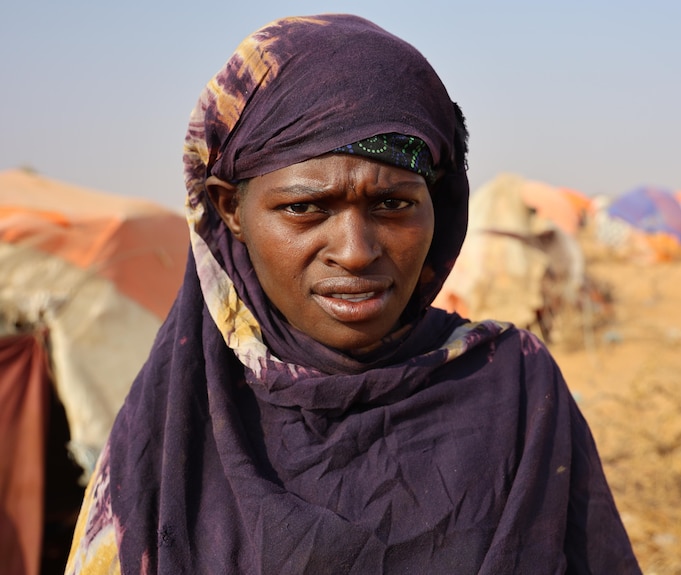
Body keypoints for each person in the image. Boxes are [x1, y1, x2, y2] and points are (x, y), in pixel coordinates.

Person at [65, 14, 641, 574]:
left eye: (393, 204)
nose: (357, 250)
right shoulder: (172, 427)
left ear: (438, 207)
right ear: (229, 208)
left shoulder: (515, 388)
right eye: (304, 208)